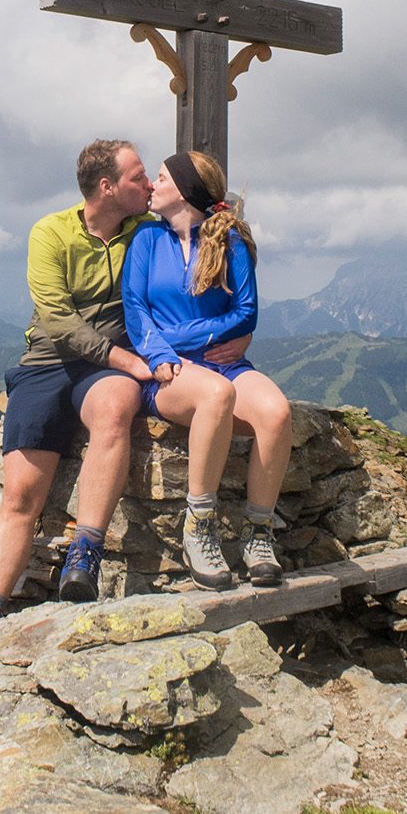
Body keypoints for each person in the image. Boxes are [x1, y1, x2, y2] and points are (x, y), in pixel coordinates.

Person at [0, 139, 156, 633]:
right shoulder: (51, 232)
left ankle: (84, 552)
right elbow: (58, 320)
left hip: (102, 374)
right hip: (48, 364)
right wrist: (123, 357)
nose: (149, 185)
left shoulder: (146, 231)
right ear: (106, 187)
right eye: (138, 178)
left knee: (116, 406)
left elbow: (199, 228)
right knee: (21, 495)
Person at [121, 150, 293, 590]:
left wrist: (185, 334)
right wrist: (163, 352)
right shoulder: (145, 239)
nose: (152, 187)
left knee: (276, 412)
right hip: (169, 368)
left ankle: (258, 532)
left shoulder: (230, 240)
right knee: (215, 395)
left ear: (185, 190)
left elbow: (246, 313)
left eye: (160, 179)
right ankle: (199, 525)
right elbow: (136, 311)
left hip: (223, 362)